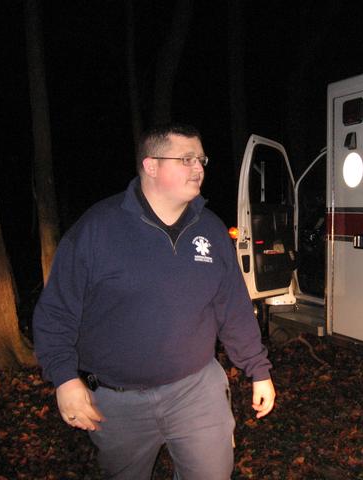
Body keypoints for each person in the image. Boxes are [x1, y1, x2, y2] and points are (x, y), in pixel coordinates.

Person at [33, 123, 275, 479]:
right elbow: (56, 312)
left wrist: (258, 370)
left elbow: (233, 308)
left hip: (197, 391)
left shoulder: (209, 229)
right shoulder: (98, 229)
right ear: (151, 166)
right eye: (186, 159)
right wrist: (65, 379)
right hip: (117, 401)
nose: (199, 168)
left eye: (201, 159)